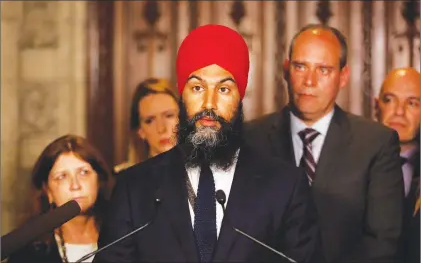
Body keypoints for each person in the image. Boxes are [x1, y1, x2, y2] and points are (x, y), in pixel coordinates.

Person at [94, 24, 322, 263]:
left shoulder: (285, 187)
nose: (209, 103)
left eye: (223, 89)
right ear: (182, 95)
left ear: (240, 97)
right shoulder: (134, 188)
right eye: (197, 88)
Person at [245, 24, 404, 263]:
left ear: (343, 76)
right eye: (301, 67)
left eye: (323, 70)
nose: (309, 81)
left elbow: (382, 243)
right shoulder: (249, 138)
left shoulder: (376, 143)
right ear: (287, 70)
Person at [8, 135, 113, 263]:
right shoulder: (29, 250)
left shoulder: (124, 233)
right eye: (62, 177)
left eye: (84, 172)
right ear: (47, 191)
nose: (75, 185)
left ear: (99, 181)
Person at [375, 67, 420, 263]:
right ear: (377, 106)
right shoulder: (347, 165)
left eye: (412, 103)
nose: (399, 111)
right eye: (390, 99)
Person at [114, 78, 179, 173]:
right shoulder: (125, 179)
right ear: (140, 131)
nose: (161, 128)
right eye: (149, 121)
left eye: (169, 116)